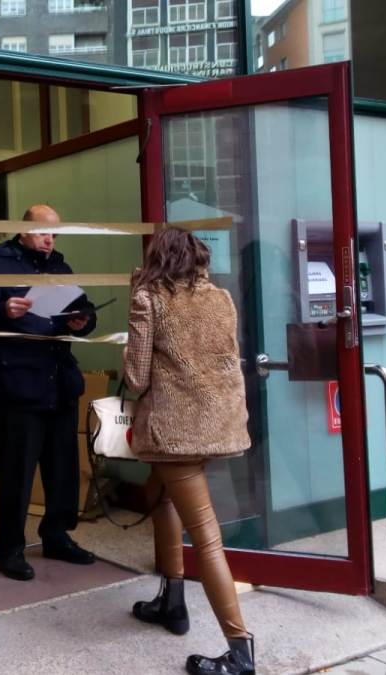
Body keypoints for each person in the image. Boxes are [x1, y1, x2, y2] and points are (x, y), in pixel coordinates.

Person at [122, 227, 255, 675]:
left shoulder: (149, 300)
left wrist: (135, 296)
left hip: (175, 434)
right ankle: (172, 601)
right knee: (158, 499)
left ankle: (240, 652)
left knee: (206, 538)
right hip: (216, 423)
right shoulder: (221, 299)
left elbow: (137, 378)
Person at [0, 204, 99, 581]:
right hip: (19, 382)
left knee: (62, 470)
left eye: (55, 235)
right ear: (23, 229)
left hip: (59, 380)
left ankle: (57, 537)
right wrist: (2, 309)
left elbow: (84, 310)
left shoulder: (59, 267)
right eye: (45, 233)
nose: (50, 240)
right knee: (18, 472)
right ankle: (9, 549)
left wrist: (84, 320)